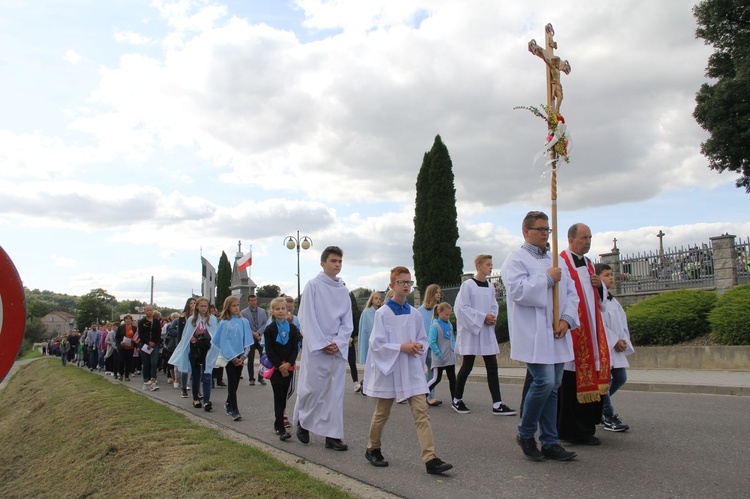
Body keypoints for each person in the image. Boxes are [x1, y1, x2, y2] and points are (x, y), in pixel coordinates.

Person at [501, 211, 578, 461]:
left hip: (556, 332)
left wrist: (566, 319)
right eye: (541, 229)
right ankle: (525, 433)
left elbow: (571, 293)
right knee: (544, 382)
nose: (545, 234)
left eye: (548, 230)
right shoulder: (516, 259)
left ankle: (550, 441)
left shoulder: (557, 260)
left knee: (554, 387)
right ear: (526, 231)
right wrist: (546, 279)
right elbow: (518, 291)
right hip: (533, 334)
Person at [363, 267, 453, 475]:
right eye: (401, 282)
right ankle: (373, 448)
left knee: (422, 413)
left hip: (410, 368)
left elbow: (422, 338)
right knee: (382, 413)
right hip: (391, 368)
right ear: (392, 285)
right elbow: (376, 344)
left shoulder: (414, 314)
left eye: (408, 282)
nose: (406, 286)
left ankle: (430, 459)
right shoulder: (382, 313)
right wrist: (400, 348)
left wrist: (418, 347)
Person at [293, 246, 353, 451]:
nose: (337, 265)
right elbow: (306, 317)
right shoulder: (313, 286)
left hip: (336, 348)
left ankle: (332, 435)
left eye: (340, 261)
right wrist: (322, 342)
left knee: (334, 394)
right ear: (323, 263)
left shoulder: (343, 290)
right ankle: (302, 420)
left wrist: (340, 341)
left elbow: (347, 321)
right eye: (333, 261)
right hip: (318, 347)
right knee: (312, 389)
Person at [558, 223, 611, 445]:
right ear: (571, 240)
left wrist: (600, 286)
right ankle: (571, 431)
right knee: (570, 383)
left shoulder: (590, 264)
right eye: (583, 237)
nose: (588, 241)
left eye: (589, 237)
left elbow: (602, 302)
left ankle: (587, 427)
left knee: (594, 374)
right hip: (574, 332)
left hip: (593, 330)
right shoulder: (562, 262)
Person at [452, 255, 516, 416]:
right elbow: (461, 308)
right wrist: (482, 317)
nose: (490, 267)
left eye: (491, 264)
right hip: (472, 332)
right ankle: (456, 399)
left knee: (492, 367)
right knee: (467, 366)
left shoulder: (490, 286)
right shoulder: (467, 285)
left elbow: (494, 305)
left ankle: (497, 404)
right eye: (488, 264)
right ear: (479, 266)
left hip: (486, 331)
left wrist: (492, 315)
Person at [595, 263, 634, 432]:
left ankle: (596, 406)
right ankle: (608, 415)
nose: (611, 277)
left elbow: (622, 322)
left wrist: (623, 340)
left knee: (620, 377)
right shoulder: (596, 300)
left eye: (611, 274)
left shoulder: (614, 301)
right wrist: (613, 341)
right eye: (606, 275)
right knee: (604, 381)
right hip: (605, 347)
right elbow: (599, 324)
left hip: (616, 347)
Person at [169, 297, 218, 411]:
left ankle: (206, 400)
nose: (203, 308)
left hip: (207, 349)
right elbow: (186, 336)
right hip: (195, 350)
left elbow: (215, 334)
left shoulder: (212, 319)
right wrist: (194, 338)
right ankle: (196, 398)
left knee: (207, 374)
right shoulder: (192, 319)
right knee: (196, 375)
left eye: (205, 306)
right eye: (201, 306)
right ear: (197, 307)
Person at [210, 296, 252, 422]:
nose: (236, 308)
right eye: (233, 305)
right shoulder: (224, 323)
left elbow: (248, 341)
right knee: (232, 382)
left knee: (236, 384)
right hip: (229, 357)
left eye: (238, 305)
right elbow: (223, 342)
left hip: (240, 356)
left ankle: (228, 403)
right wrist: (233, 357)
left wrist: (243, 356)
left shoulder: (243, 321)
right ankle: (235, 409)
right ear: (228, 306)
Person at [264, 297, 300, 440]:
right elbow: (270, 350)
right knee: (278, 397)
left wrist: (289, 363)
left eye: (283, 308)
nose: (280, 311)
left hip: (288, 367)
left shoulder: (292, 328)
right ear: (273, 311)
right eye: (277, 309)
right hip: (276, 369)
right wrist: (280, 365)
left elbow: (294, 348)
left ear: (287, 310)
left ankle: (277, 421)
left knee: (284, 397)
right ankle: (281, 428)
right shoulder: (270, 329)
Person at [426, 303, 457, 404]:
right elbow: (431, 342)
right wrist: (439, 354)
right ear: (439, 313)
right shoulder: (435, 325)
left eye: (449, 315)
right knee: (436, 379)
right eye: (446, 314)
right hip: (439, 358)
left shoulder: (449, 324)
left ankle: (455, 399)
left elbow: (452, 337)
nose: (448, 317)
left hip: (449, 357)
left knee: (452, 378)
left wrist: (454, 348)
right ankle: (422, 395)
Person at [418, 284, 442, 406]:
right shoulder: (421, 311)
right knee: (431, 370)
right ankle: (427, 395)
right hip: (426, 345)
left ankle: (428, 395)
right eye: (436, 292)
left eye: (439, 292)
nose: (439, 294)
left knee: (434, 371)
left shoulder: (438, 309)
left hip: (436, 345)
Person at [241, 294, 268, 386]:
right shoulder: (244, 313)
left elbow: (265, 323)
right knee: (251, 359)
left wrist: (259, 333)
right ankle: (251, 378)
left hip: (260, 338)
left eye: (255, 300)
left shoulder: (262, 311)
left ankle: (261, 377)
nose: (253, 302)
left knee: (262, 358)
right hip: (250, 338)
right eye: (251, 300)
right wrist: (253, 333)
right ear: (248, 302)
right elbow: (245, 325)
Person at [358, 291, 382, 395]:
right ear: (371, 300)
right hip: (370, 342)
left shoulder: (380, 312)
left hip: (378, 343)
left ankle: (371, 385)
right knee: (370, 366)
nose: (378, 300)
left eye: (379, 298)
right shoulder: (367, 312)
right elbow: (365, 329)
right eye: (376, 298)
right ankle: (365, 384)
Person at [173, 298, 196, 394]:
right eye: (191, 303)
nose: (193, 305)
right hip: (184, 342)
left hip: (194, 343)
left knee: (190, 364)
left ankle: (186, 384)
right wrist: (179, 344)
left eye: (195, 303)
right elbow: (180, 333)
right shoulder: (182, 317)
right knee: (180, 363)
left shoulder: (197, 317)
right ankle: (177, 378)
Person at [137, 305, 162, 391]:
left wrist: (153, 342)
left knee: (154, 362)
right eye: (147, 310)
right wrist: (148, 342)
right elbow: (141, 334)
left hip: (154, 344)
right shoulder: (141, 322)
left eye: (150, 310)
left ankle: (153, 380)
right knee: (146, 363)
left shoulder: (156, 321)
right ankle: (146, 380)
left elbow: (158, 333)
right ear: (145, 312)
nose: (149, 312)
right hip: (144, 344)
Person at [116, 315, 137, 381]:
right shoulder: (121, 327)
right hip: (122, 347)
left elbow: (136, 337)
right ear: (124, 320)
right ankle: (121, 374)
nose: (128, 320)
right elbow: (117, 337)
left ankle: (127, 376)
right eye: (126, 319)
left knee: (129, 362)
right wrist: (120, 342)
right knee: (121, 361)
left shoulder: (134, 328)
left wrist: (137, 346)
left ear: (131, 320)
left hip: (130, 347)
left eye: (129, 319)